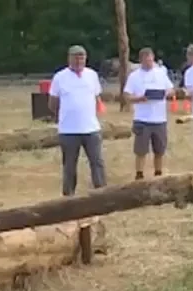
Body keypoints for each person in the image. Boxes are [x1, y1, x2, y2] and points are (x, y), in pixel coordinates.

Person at [48, 44, 106, 195]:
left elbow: (96, 97)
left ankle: (102, 193)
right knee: (69, 165)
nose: (79, 61)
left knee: (97, 162)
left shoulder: (92, 75)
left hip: (91, 128)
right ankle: (69, 195)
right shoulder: (60, 77)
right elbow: (53, 103)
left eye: (82, 58)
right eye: (76, 58)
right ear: (69, 59)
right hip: (69, 130)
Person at [120, 47, 174, 179]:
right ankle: (139, 174)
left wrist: (164, 94)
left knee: (160, 150)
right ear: (141, 61)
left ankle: (158, 173)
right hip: (142, 119)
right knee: (141, 150)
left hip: (160, 119)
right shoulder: (134, 76)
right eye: (146, 60)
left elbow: (171, 90)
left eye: (150, 60)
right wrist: (139, 99)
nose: (149, 62)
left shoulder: (161, 73)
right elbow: (126, 96)